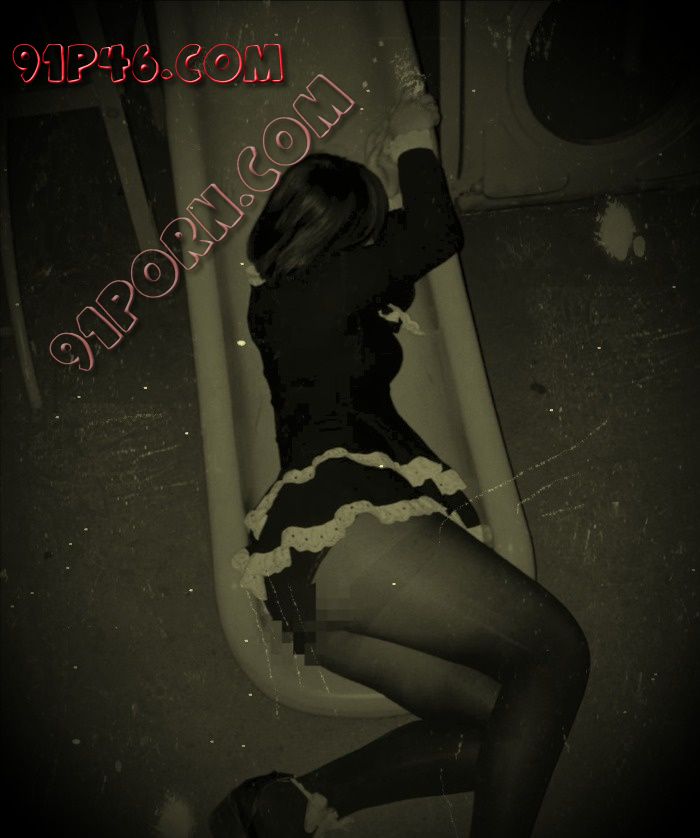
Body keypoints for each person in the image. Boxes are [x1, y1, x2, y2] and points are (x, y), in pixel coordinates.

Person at [211, 93, 590, 838]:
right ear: (340, 238)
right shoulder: (325, 285)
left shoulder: (282, 301)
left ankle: (290, 803)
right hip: (349, 538)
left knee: (515, 724)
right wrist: (413, 140)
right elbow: (435, 233)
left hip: (312, 586)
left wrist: (375, 189)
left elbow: (393, 271)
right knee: (554, 655)